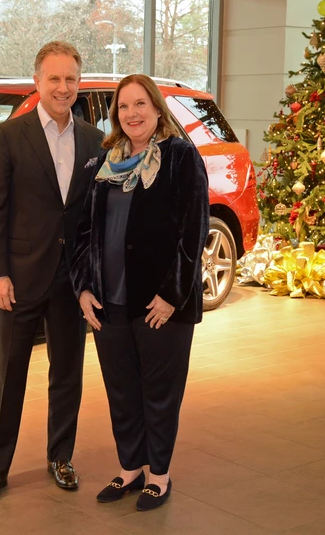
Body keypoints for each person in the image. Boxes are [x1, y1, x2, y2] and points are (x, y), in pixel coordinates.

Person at [71, 74, 209, 511]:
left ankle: (159, 475)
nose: (132, 114)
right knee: (122, 390)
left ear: (156, 108)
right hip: (108, 301)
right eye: (124, 106)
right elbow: (83, 232)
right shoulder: (105, 162)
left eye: (140, 104)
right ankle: (131, 467)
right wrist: (83, 288)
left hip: (159, 305)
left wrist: (172, 294)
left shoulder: (180, 157)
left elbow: (194, 231)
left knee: (159, 391)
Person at [0, 41, 105, 503]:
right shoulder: (9, 136)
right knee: (8, 376)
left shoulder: (93, 140)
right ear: (37, 81)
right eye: (54, 78)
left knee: (68, 372)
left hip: (72, 281)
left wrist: (91, 274)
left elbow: (92, 213)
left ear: (78, 83)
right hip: (21, 278)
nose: (63, 87)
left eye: (71, 79)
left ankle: (60, 457)